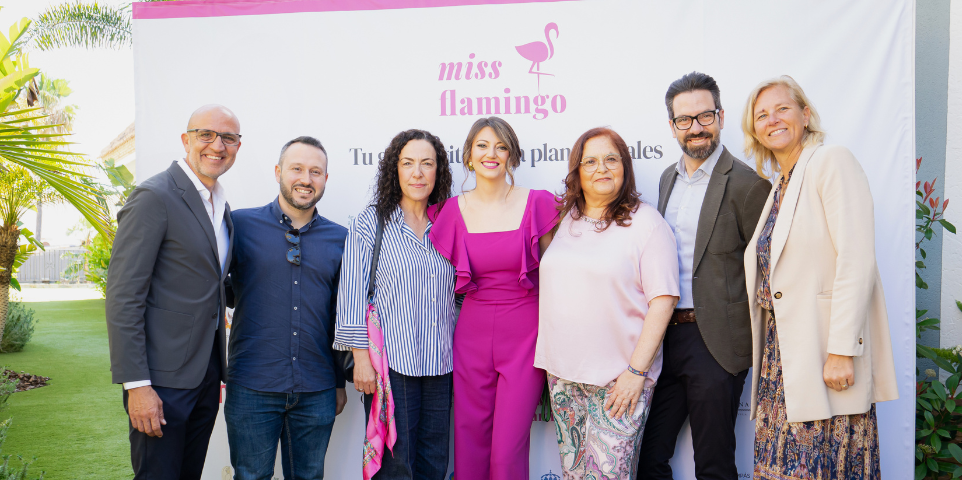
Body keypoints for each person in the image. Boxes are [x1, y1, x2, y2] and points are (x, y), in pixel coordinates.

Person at [740, 76, 898, 479]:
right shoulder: (780, 185)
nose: (772, 119)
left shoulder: (831, 161)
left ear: (805, 115)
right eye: (762, 115)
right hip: (782, 363)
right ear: (754, 129)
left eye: (782, 108)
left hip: (824, 355)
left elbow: (856, 259)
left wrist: (842, 350)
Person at [638, 72, 772, 480]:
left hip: (716, 342)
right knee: (647, 456)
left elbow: (766, 272)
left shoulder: (749, 185)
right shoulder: (666, 179)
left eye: (704, 116)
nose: (695, 127)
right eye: (685, 119)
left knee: (713, 464)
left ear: (721, 116)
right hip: (665, 338)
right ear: (673, 125)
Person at [534, 127, 679, 479]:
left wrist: (635, 373)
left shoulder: (647, 223)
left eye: (611, 159)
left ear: (625, 167)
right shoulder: (562, 221)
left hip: (619, 382)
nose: (602, 168)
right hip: (564, 377)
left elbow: (664, 300)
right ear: (577, 173)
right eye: (591, 161)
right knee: (574, 474)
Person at [106, 104, 239, 479]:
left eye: (228, 138)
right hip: (159, 381)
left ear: (238, 147)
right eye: (206, 135)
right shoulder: (154, 196)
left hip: (206, 377)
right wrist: (137, 386)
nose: (217, 145)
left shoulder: (220, 206)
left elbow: (214, 284)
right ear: (186, 140)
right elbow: (123, 297)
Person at [428, 117, 558, 480]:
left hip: (525, 335)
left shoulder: (538, 204)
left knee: (506, 452)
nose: (492, 154)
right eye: (483, 145)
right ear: (468, 155)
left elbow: (557, 276)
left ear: (512, 157)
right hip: (471, 335)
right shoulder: (451, 211)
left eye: (501, 146)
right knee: (469, 445)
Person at [335, 129, 456, 479]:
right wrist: (360, 359)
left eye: (427, 164)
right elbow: (351, 295)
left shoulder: (447, 223)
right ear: (395, 170)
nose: (417, 173)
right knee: (397, 463)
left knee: (435, 461)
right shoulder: (371, 222)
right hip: (391, 366)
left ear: (439, 171)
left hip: (441, 363)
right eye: (408, 163)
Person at [224, 136, 347, 479]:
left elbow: (342, 316)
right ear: (279, 171)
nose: (306, 179)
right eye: (297, 169)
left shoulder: (342, 239)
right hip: (251, 386)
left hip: (317, 388)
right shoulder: (240, 225)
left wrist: (338, 381)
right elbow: (217, 290)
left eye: (315, 171)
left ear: (325, 178)